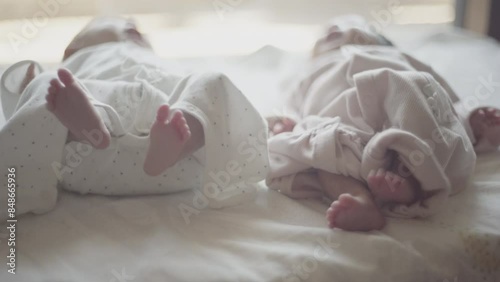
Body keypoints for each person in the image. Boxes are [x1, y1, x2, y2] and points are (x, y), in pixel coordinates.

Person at [0, 17, 268, 219]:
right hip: (90, 146)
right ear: (71, 51)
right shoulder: (71, 72)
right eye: (125, 26)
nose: (133, 31)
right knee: (48, 86)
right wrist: (32, 82)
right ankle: (93, 127)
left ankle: (179, 141)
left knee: (211, 81)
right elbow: (20, 108)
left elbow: (218, 105)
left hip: (150, 145)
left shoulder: (166, 65)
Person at [265, 17, 499, 232]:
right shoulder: (309, 72)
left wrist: (466, 116)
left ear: (380, 41)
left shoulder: (394, 56)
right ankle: (361, 199)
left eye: (347, 26)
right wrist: (289, 125)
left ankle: (412, 175)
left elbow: (439, 97)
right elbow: (293, 110)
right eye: (326, 32)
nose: (333, 29)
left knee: (416, 91)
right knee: (321, 147)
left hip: (397, 103)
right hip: (342, 125)